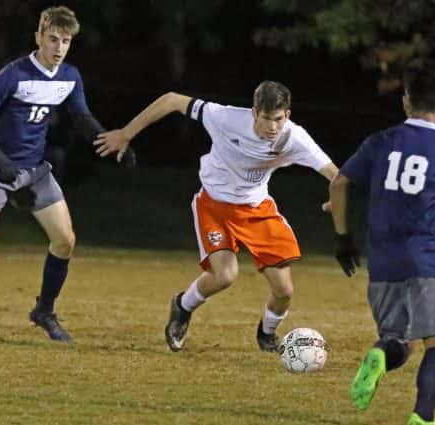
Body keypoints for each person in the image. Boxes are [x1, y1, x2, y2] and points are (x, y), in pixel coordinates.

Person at [95, 81, 338, 352]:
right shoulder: (225, 117)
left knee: (284, 291)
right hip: (214, 206)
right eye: (267, 119)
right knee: (224, 276)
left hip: (258, 210)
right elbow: (172, 100)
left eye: (279, 120)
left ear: (287, 115)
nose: (272, 127)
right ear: (255, 112)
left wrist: (337, 196)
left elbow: (335, 174)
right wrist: (126, 134)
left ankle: (267, 335)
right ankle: (182, 307)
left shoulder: (295, 138)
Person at [0, 6, 135, 341]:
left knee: (65, 241)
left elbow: (81, 119)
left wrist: (112, 143)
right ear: (39, 37)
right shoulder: (15, 73)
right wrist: (0, 164)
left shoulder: (70, 76)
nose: (59, 47)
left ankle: (44, 310)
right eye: (53, 39)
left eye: (66, 41)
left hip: (35, 171)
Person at [328, 58, 435, 425]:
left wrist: (342, 238)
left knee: (402, 340)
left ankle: (383, 355)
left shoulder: (379, 142)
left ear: (405, 101)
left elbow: (339, 184)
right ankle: (423, 417)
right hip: (427, 261)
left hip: (382, 262)